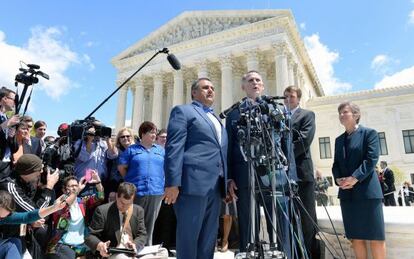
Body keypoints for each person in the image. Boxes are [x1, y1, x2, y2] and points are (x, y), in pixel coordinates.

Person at [164, 77, 228, 259]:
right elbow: (174, 148)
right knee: (188, 238)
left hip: (215, 187)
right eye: (205, 87)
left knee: (208, 240)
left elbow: (220, 152)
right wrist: (172, 183)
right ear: (194, 92)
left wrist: (227, 180)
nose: (210, 90)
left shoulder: (216, 118)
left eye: (213, 88)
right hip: (191, 186)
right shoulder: (183, 112)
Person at [332, 101, 385, 259]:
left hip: (368, 193)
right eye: (339, 112)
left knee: (375, 237)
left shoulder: (370, 133)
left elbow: (371, 159)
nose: (341, 115)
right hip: (347, 195)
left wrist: (354, 178)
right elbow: (336, 165)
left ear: (356, 115)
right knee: (356, 238)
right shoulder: (338, 140)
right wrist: (338, 180)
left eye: (345, 112)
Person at [283, 85, 319, 258]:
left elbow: (304, 140)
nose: (288, 99)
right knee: (289, 218)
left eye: (292, 96)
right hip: (283, 176)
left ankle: (310, 255)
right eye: (286, 96)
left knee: (306, 219)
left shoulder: (307, 115)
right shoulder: (280, 118)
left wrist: (282, 156)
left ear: (298, 98)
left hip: (302, 174)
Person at [118, 122, 164, 245]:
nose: (154, 135)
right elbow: (122, 167)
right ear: (143, 134)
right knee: (133, 222)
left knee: (150, 223)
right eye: (151, 132)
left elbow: (166, 169)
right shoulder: (131, 150)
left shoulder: (161, 150)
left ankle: (146, 249)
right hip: (136, 192)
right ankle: (131, 248)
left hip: (156, 192)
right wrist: (130, 182)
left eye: (155, 132)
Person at [46, 172, 104, 259]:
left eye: (76, 185)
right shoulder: (59, 203)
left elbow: (100, 197)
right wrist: (77, 192)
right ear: (64, 190)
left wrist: (98, 183)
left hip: (80, 245)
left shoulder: (82, 202)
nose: (74, 188)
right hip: (61, 245)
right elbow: (64, 208)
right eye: (71, 186)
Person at [85, 182, 148, 258]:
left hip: (133, 251)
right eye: (122, 203)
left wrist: (135, 245)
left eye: (129, 203)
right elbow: (89, 236)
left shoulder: (138, 211)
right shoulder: (103, 211)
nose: (125, 206)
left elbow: (142, 235)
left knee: (163, 252)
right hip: (115, 252)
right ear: (117, 197)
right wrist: (101, 246)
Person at [0, 190, 67, 258]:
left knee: (15, 242)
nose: (1, 219)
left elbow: (28, 216)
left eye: (3, 217)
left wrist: (54, 207)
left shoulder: (5, 218)